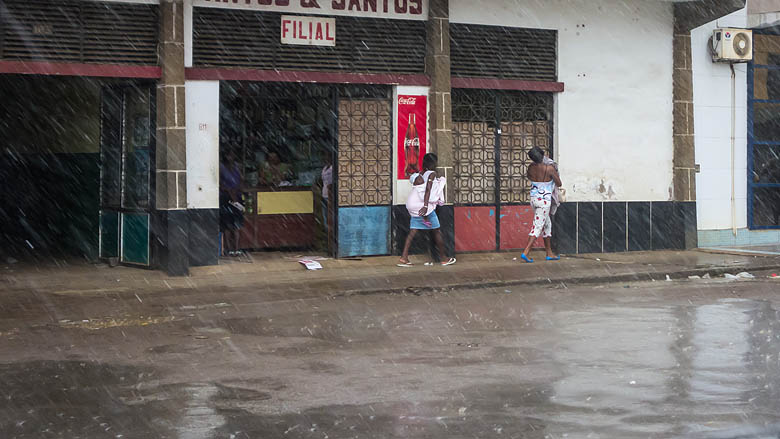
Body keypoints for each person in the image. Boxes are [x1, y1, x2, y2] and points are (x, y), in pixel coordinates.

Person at [398, 153, 457, 267]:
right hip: (424, 206)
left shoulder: (421, 173)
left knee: (413, 231)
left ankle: (404, 257)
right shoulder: (432, 174)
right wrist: (425, 206)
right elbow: (428, 190)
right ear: (433, 163)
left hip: (413, 204)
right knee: (437, 231)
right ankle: (444, 258)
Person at [520, 146, 562, 263]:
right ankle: (526, 252)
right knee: (537, 227)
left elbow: (529, 177)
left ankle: (549, 253)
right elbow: (559, 183)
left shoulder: (531, 168)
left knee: (547, 225)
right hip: (544, 202)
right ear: (542, 155)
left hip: (534, 199)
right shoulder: (549, 169)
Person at [219, 148, 244, 257]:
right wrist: (229, 191)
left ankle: (236, 249)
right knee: (227, 226)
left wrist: (236, 191)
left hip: (236, 198)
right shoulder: (221, 168)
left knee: (236, 225)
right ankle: (228, 249)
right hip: (226, 199)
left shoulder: (237, 168)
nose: (232, 158)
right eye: (230, 155)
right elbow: (219, 184)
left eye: (233, 155)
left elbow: (241, 181)